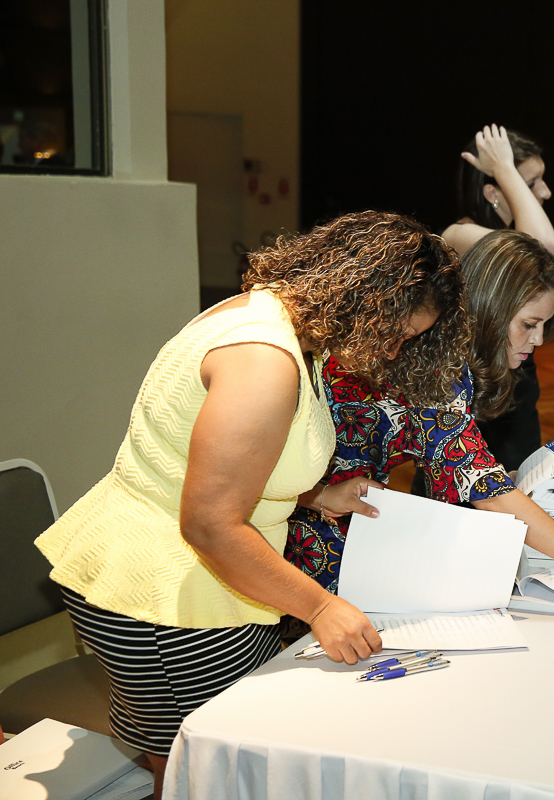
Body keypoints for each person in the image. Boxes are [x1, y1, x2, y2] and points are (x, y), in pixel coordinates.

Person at [34, 212, 467, 798]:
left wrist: (315, 494)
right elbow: (210, 523)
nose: (391, 349)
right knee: (204, 775)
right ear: (359, 294)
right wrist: (321, 608)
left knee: (197, 760)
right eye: (395, 331)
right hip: (171, 594)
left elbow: (221, 462)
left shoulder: (268, 313)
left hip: (172, 575)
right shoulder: (265, 360)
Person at [286, 229, 554, 620]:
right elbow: (485, 492)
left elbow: (458, 466)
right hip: (309, 524)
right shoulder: (441, 364)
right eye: (529, 323)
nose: (538, 339)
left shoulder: (445, 349)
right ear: (493, 308)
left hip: (323, 503)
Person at [441, 125, 554, 472]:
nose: (544, 192)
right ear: (494, 192)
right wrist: (504, 166)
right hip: (475, 396)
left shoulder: (500, 239)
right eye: (531, 184)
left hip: (515, 392)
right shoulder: (460, 234)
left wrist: (543, 321)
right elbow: (542, 246)